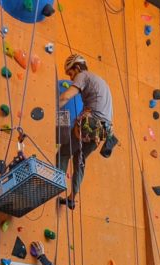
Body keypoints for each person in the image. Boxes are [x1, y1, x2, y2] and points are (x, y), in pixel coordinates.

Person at [56, 53, 114, 207]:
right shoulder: (99, 80)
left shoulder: (83, 76)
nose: (70, 78)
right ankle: (72, 197)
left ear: (77, 67)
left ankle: (55, 185)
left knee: (63, 153)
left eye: (70, 73)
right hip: (103, 132)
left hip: (91, 125)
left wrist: (51, 110)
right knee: (80, 159)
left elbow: (66, 97)